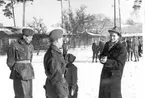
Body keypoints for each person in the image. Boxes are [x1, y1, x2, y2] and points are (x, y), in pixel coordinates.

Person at [98, 26, 127, 98]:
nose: (112, 38)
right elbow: (103, 55)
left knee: (113, 95)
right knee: (104, 94)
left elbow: (119, 65)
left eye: (114, 36)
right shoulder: (107, 45)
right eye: (110, 35)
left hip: (114, 76)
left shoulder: (122, 49)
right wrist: (101, 58)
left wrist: (107, 61)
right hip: (105, 75)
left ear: (118, 37)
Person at [7, 28, 35, 98]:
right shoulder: (15, 45)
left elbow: (30, 59)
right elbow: (10, 61)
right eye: (29, 37)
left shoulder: (31, 46)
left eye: (32, 37)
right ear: (24, 36)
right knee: (21, 94)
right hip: (18, 73)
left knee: (29, 94)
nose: (31, 39)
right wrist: (17, 69)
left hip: (29, 72)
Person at [43, 29, 69, 98]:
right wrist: (62, 94)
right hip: (57, 89)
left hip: (52, 86)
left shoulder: (52, 52)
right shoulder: (54, 55)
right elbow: (56, 77)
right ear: (57, 40)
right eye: (61, 39)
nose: (62, 41)